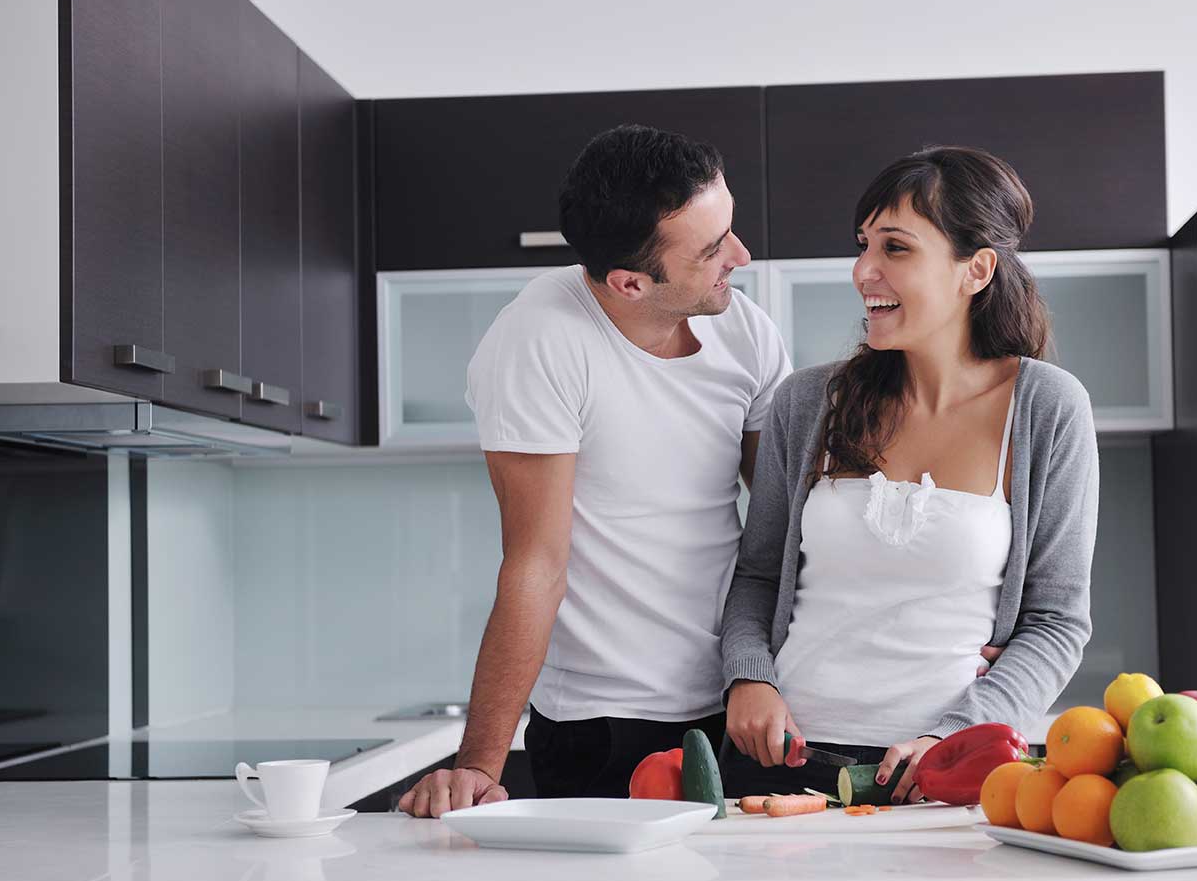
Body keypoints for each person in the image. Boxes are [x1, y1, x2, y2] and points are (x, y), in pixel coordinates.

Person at [399, 124, 792, 816]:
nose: (741, 255)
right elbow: (536, 564)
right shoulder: (540, 340)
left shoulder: (745, 328)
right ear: (630, 283)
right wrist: (479, 765)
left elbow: (783, 527)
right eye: (711, 250)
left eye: (729, 228)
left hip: (742, 701)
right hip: (602, 723)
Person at [719, 145, 1098, 803]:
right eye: (863, 245)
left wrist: (956, 736)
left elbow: (1057, 621)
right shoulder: (809, 402)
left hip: (943, 776)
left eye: (895, 248)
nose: (863, 270)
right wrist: (749, 677)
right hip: (778, 764)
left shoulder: (1046, 408)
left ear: (975, 270)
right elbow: (756, 576)